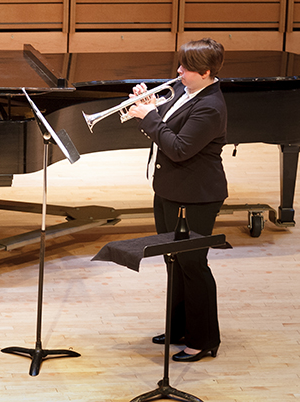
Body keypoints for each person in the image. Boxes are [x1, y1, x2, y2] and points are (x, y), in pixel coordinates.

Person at [127, 38, 228, 362]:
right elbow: (168, 129)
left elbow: (180, 148)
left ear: (206, 72)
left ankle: (203, 339)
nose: (179, 71)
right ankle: (180, 328)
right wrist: (151, 105)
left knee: (193, 265)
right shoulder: (189, 93)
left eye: (186, 68)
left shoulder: (210, 106)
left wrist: (149, 117)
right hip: (171, 191)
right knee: (174, 261)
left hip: (195, 197)